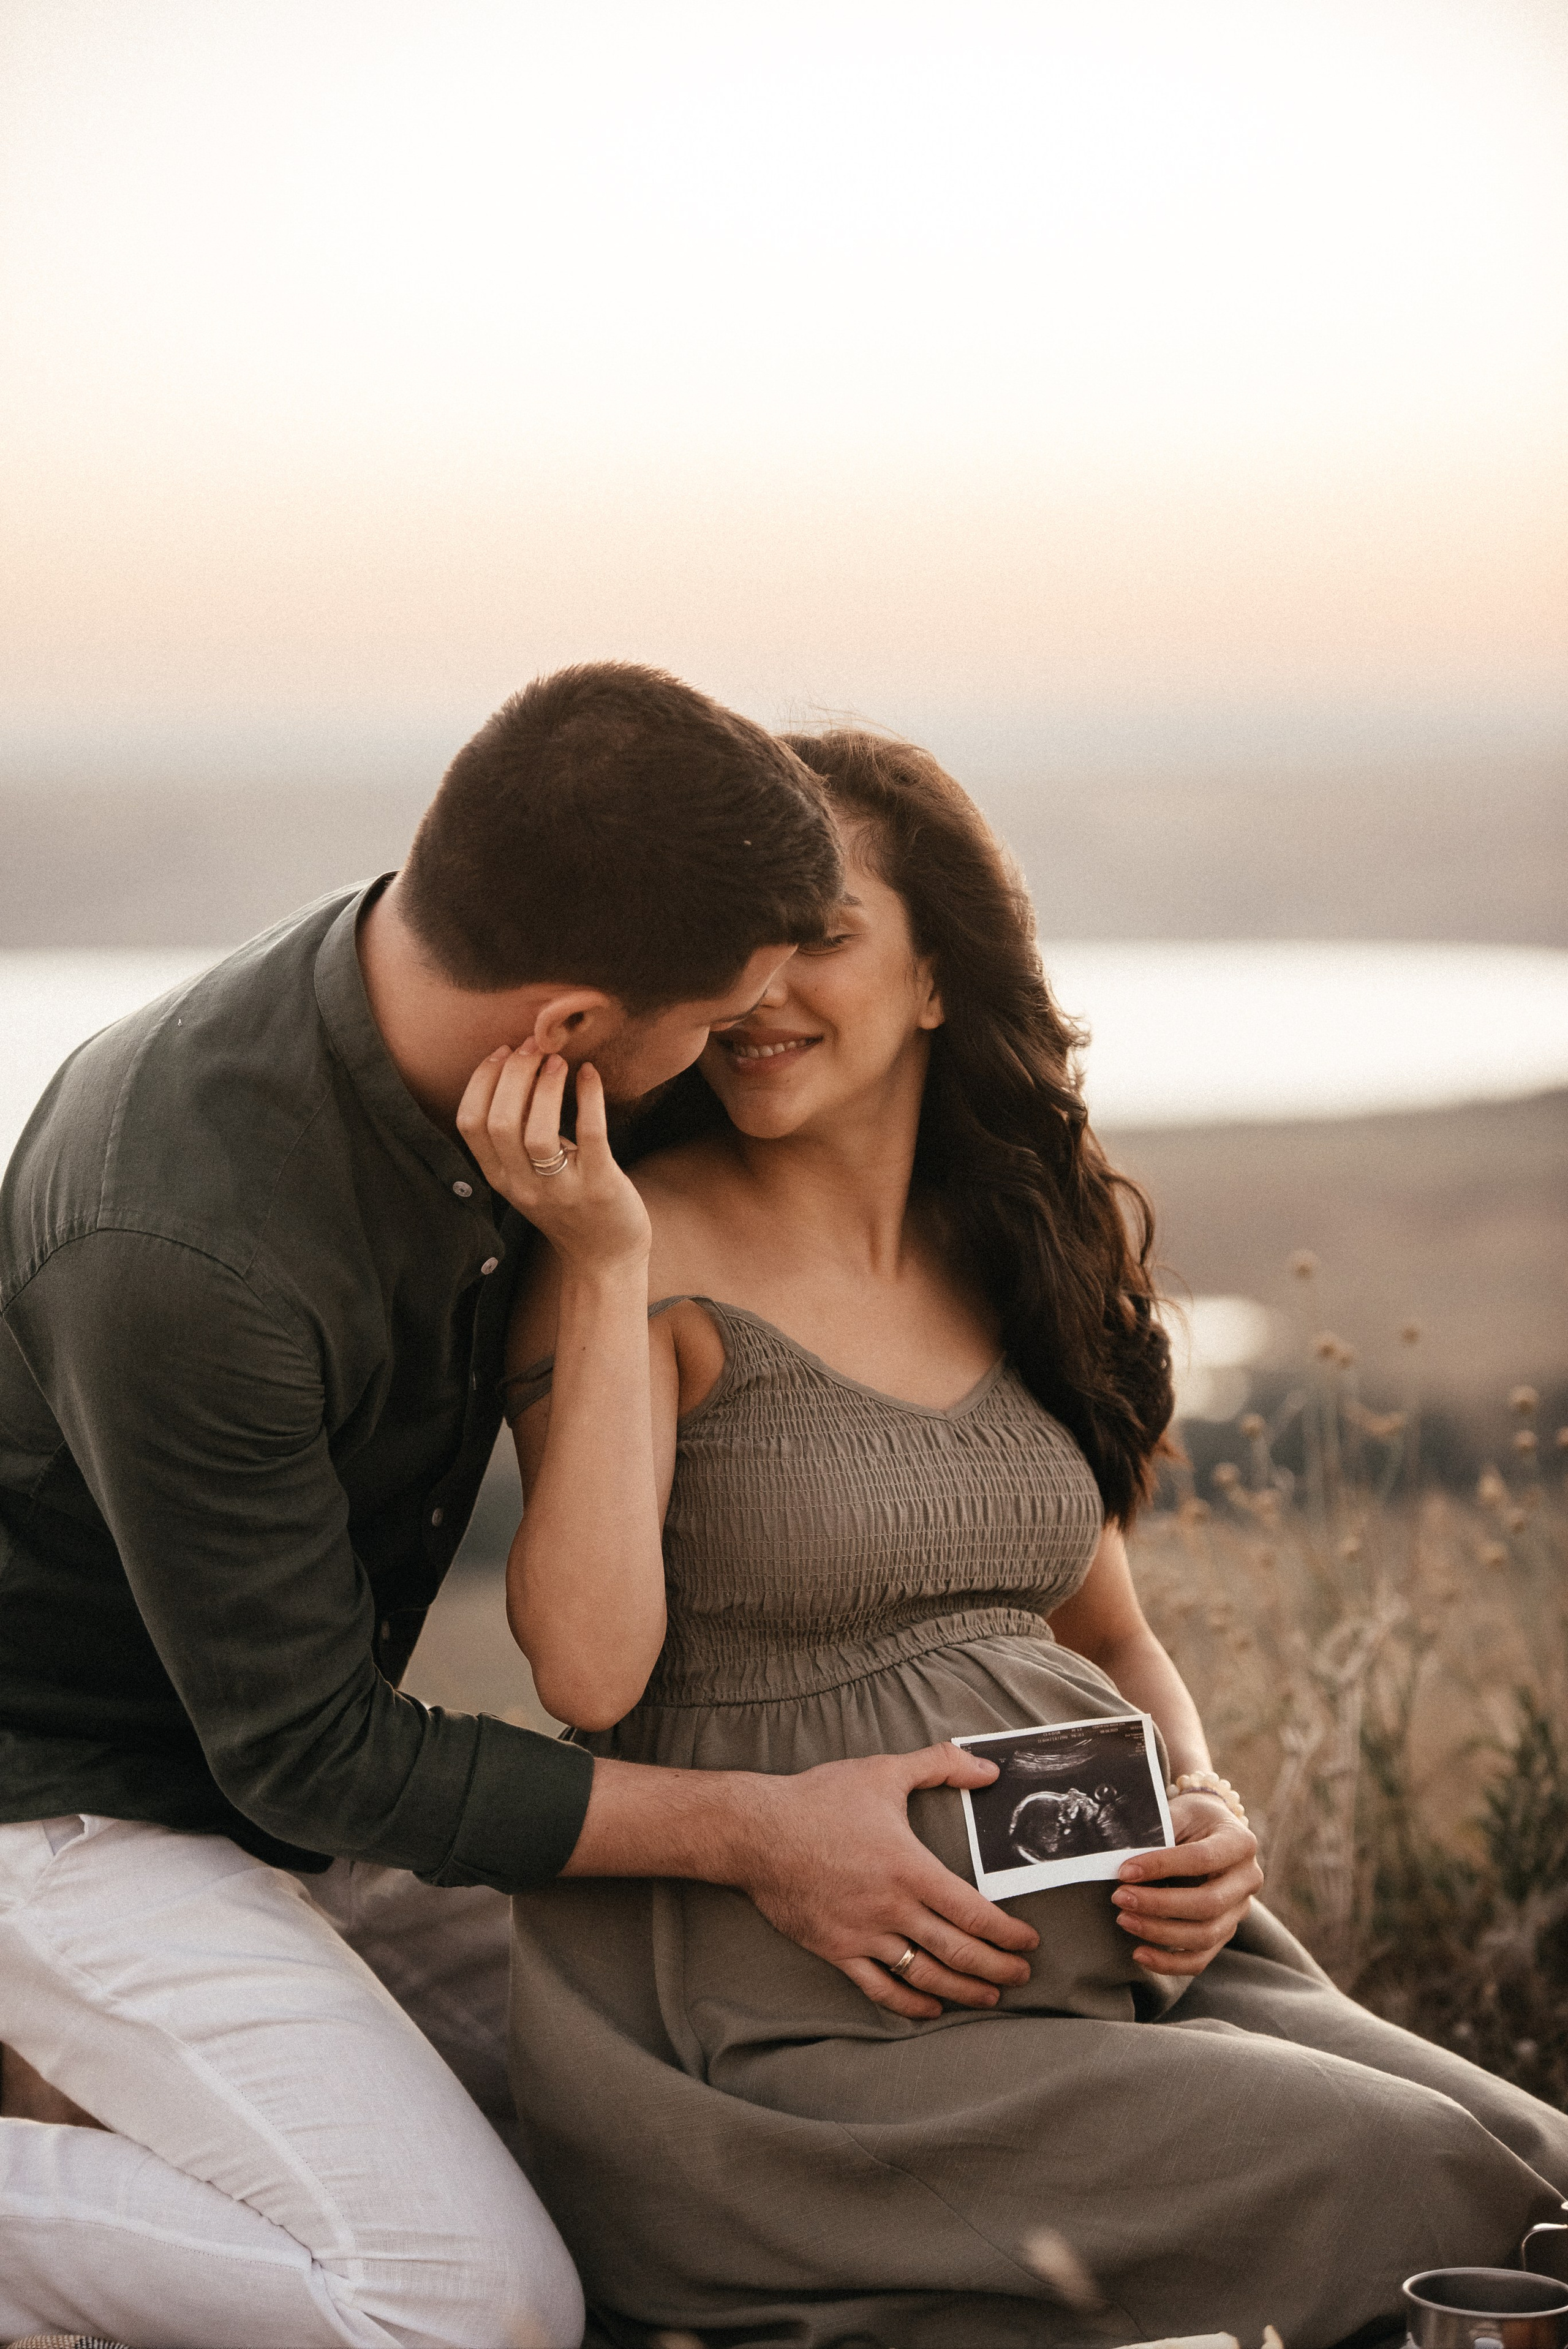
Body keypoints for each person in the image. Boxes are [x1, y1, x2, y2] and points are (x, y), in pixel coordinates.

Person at [470, 729, 1568, 2349]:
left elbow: (1110, 1636)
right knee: (1408, 2180)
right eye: (737, 943)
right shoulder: (640, 1249)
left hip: (1131, 1957)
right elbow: (586, 1663)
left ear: (936, 974)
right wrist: (605, 1256)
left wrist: (1200, 1799)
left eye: (823, 933)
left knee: (1540, 2168)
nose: (766, 985)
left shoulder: (1007, 1248)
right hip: (805, 2039)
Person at [0, 668, 1043, 2349]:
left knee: (669, 2166)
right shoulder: (182, 1245)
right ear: (567, 1025)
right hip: (71, 1811)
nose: (721, 1061)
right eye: (708, 1026)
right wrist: (760, 1828)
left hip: (286, 1791)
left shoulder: (481, 1030)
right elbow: (312, 1753)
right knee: (474, 2301)